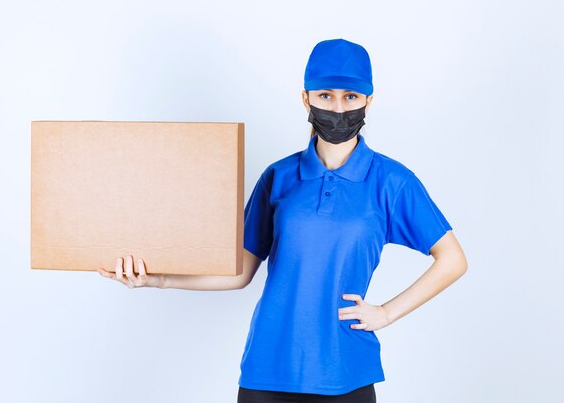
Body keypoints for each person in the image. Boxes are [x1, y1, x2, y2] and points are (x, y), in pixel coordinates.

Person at [98, 38, 468, 403]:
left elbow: (452, 259)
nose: (338, 107)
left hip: (346, 371)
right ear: (305, 98)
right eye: (325, 95)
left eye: (350, 96)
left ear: (369, 100)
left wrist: (386, 313)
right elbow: (240, 272)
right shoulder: (280, 177)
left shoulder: (391, 181)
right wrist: (157, 279)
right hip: (269, 370)